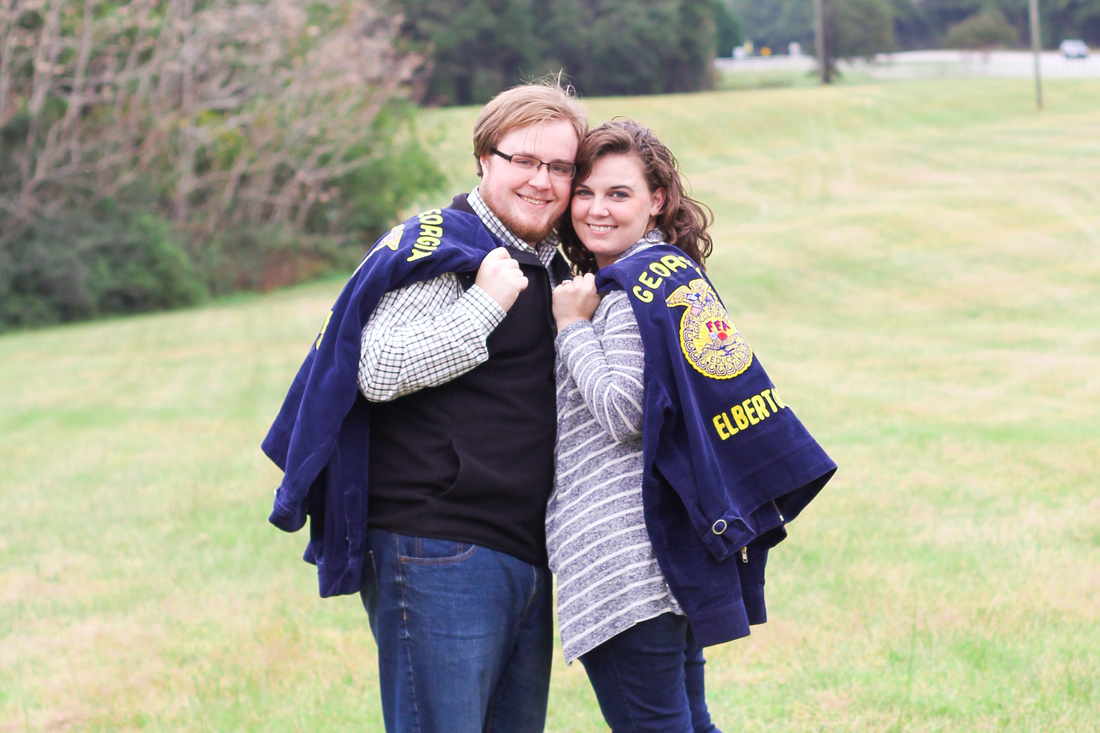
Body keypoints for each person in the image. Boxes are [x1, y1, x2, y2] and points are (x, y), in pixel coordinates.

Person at [262, 80, 587, 733]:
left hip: (521, 549)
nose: (541, 180)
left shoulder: (550, 265)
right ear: (483, 158)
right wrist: (486, 304)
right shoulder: (447, 248)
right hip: (436, 542)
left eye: (559, 166)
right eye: (523, 159)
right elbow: (376, 369)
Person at [548, 120, 836, 732]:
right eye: (586, 192)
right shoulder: (671, 277)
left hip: (623, 558)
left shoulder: (625, 294)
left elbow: (625, 412)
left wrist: (570, 326)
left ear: (657, 201)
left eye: (618, 194)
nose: (597, 209)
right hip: (669, 552)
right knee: (689, 722)